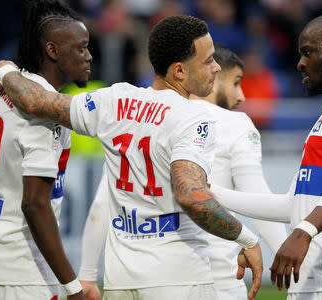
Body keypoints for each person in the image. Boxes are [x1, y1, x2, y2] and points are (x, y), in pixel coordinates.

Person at [0, 15, 263, 300]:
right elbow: (190, 195)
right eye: (208, 61)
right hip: (178, 279)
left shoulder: (113, 100)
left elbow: (35, 101)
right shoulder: (196, 119)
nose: (216, 67)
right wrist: (246, 238)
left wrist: (7, 71)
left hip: (120, 280)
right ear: (179, 71)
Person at [77, 44, 288, 300]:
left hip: (131, 276)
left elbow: (102, 207)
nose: (241, 95)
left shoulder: (138, 121)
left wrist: (87, 274)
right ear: (213, 77)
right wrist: (294, 266)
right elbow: (259, 202)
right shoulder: (235, 124)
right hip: (208, 281)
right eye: (235, 82)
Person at [210, 14, 322, 300]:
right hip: (316, 280)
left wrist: (304, 231)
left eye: (308, 52)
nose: (300, 63)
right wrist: (210, 193)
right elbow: (293, 206)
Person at [0, 0, 92, 299]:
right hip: (18, 262)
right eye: (81, 47)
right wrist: (73, 287)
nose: (89, 57)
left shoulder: (2, 93)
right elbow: (34, 204)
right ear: (52, 51)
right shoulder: (45, 112)